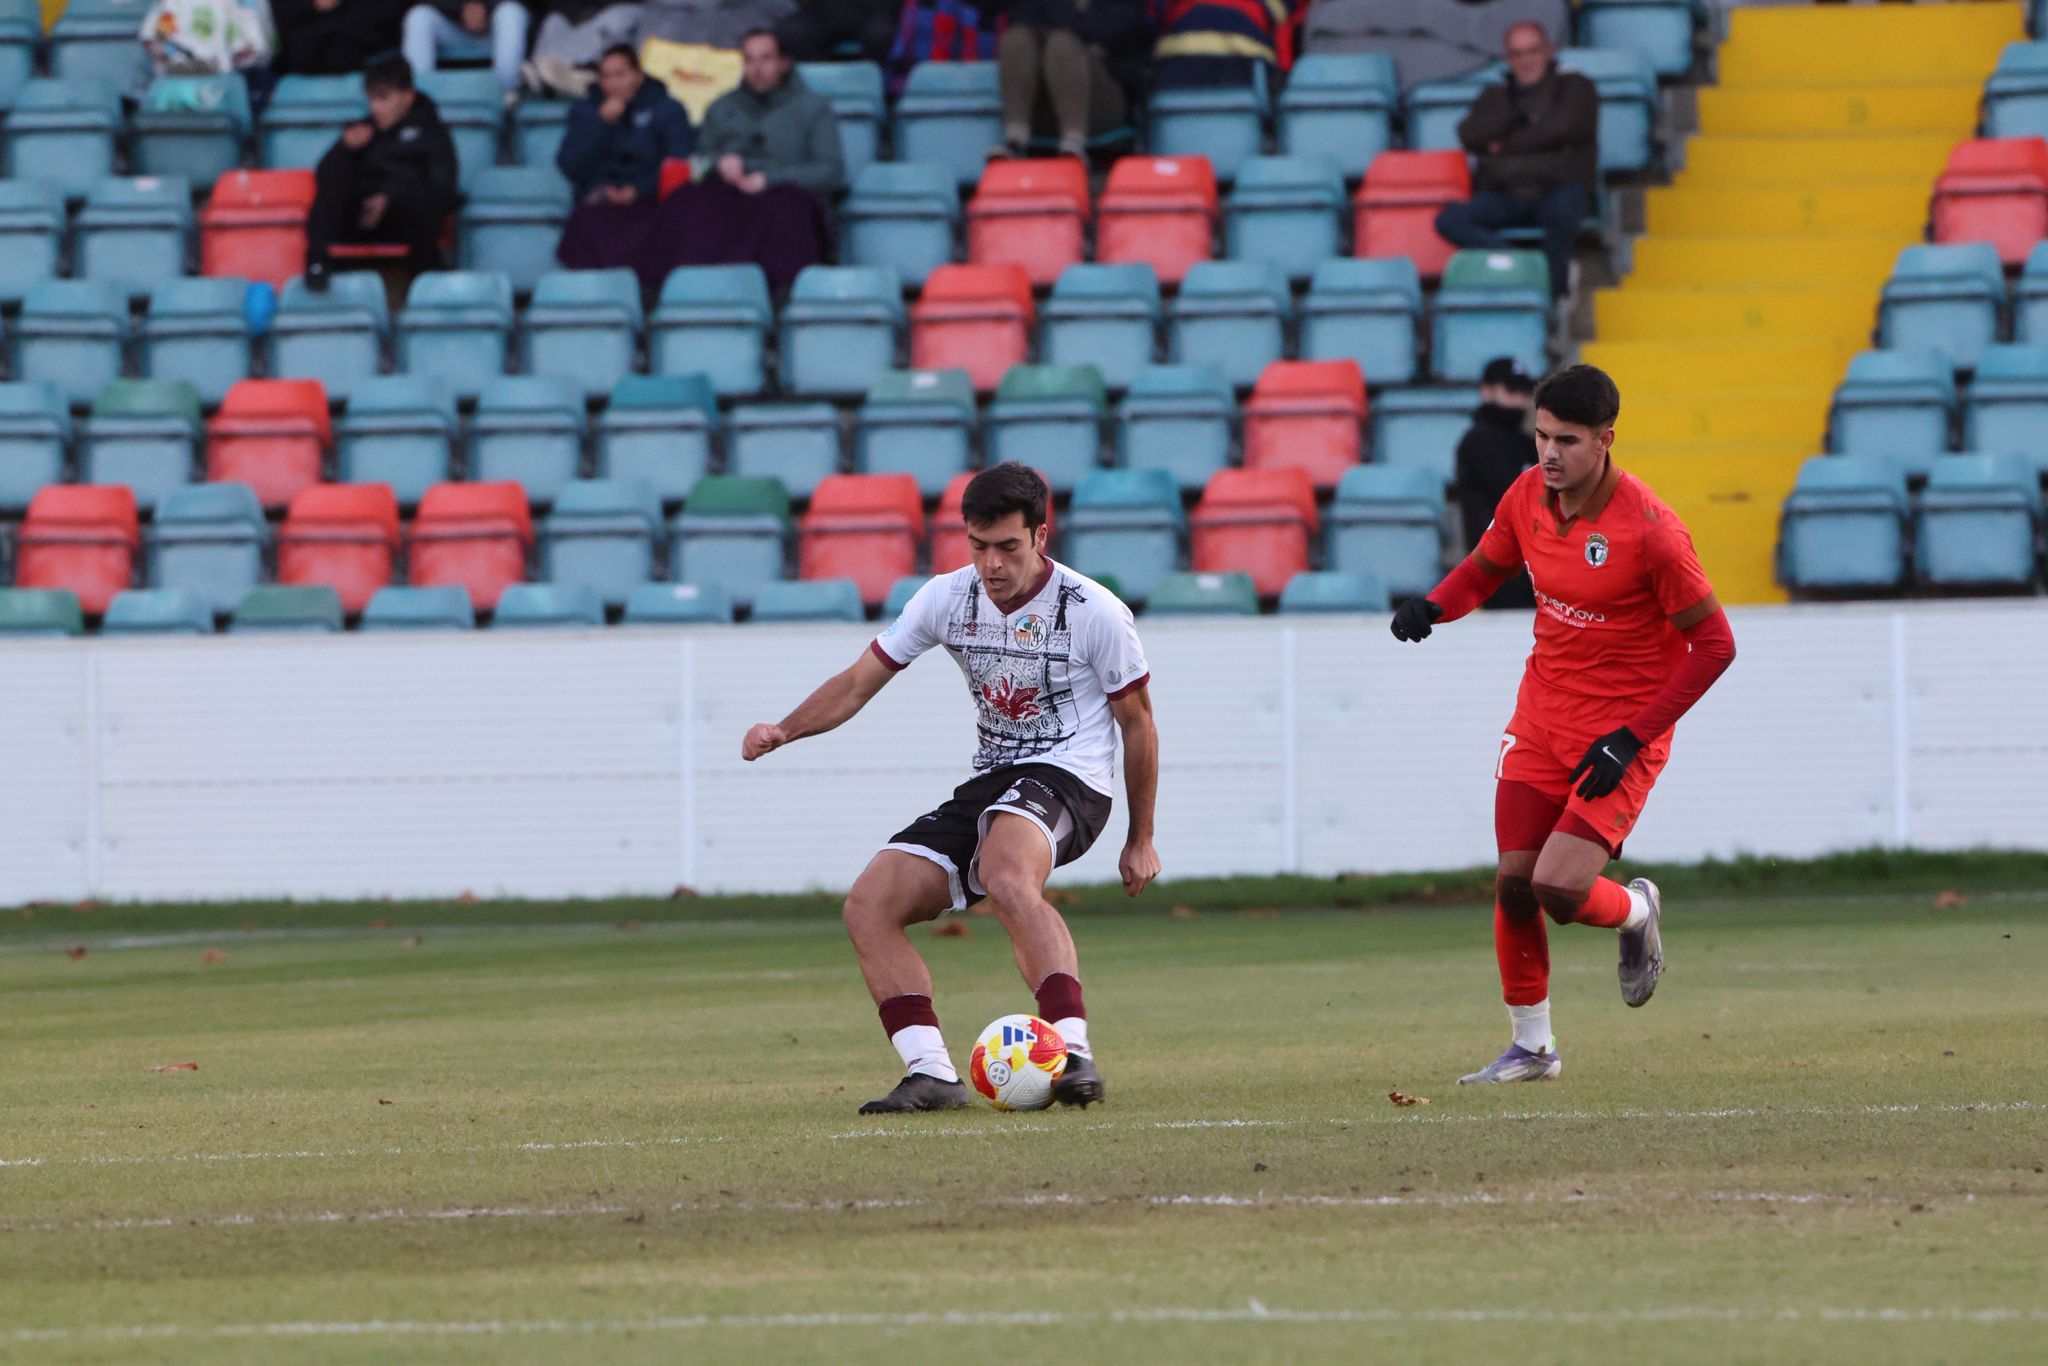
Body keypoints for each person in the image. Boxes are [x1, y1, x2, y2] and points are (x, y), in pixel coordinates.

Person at [741, 463, 1162, 1115]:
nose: (991, 564)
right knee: (869, 904)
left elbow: (1138, 725)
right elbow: (856, 683)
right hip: (993, 781)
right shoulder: (946, 598)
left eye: (1008, 547)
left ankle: (1073, 1051)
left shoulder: (1093, 612)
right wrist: (784, 729)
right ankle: (932, 1073)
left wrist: (1141, 838)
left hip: (1072, 778)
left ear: (1040, 535)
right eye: (978, 545)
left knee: (1005, 872)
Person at [1388, 364, 1736, 1086]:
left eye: (1567, 441)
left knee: (1557, 888)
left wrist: (1632, 738)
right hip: (1541, 716)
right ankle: (1533, 1049)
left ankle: (1635, 909)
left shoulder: (1653, 533)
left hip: (1620, 737)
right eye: (1542, 436)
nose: (1549, 453)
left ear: (1606, 439)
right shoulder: (1527, 495)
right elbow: (1485, 569)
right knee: (1515, 882)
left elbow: (1715, 646)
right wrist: (1435, 606)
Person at [620, 26, 841, 292]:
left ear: (784, 63)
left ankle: (783, 295)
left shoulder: (814, 107)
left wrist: (768, 179)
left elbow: (831, 171)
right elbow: (699, 160)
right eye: (749, 60)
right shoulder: (722, 106)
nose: (757, 68)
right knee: (684, 201)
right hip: (731, 191)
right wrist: (719, 164)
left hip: (782, 192)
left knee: (789, 207)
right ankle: (670, 291)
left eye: (766, 58)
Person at [1433, 21, 1595, 305]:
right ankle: (1524, 266)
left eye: (1533, 51)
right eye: (1517, 54)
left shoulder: (1575, 86)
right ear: (1507, 58)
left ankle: (1554, 294)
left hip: (1556, 187)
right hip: (1505, 192)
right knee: (1449, 220)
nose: (1525, 61)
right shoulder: (1496, 93)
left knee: (1563, 213)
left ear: (1548, 51)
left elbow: (1565, 128)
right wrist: (1526, 122)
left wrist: (1505, 144)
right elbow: (1469, 134)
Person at [304, 55, 459, 290]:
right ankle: (317, 264)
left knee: (426, 205)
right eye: (371, 98)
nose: (375, 107)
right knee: (333, 181)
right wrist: (343, 150)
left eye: (383, 98)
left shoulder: (433, 134)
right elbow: (324, 178)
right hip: (361, 219)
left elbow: (443, 188)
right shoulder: (364, 131)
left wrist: (390, 198)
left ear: (408, 96)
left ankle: (425, 287)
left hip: (406, 221)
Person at [553, 45, 696, 268]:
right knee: (585, 221)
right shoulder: (586, 111)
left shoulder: (667, 109)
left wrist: (638, 190)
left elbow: (679, 160)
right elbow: (571, 166)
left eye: (620, 74)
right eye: (606, 76)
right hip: (602, 201)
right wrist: (601, 124)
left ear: (638, 75)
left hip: (652, 201)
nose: (613, 84)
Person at [988, 0, 1152, 160]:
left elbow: (1120, 28)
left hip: (1103, 105)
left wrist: (1058, 27)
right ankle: (1015, 141)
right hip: (1041, 108)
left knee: (1063, 44)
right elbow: (1023, 18)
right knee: (1016, 39)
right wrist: (1089, 38)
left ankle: (1074, 143)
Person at [1454, 357, 1538, 611]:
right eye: (1511, 390)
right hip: (1501, 574)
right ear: (1486, 390)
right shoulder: (1478, 442)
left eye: (1523, 392)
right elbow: (1514, 496)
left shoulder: (1527, 443)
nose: (1518, 400)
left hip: (1532, 569)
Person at [401, 0, 531, 97]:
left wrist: (486, 6)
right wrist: (460, 8)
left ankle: (509, 93)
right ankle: (417, 97)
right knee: (419, 16)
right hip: (453, 26)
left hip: (499, 25)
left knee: (510, 12)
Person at [524, 0, 647, 97]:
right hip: (577, 20)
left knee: (616, 18)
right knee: (554, 20)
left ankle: (554, 72)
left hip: (622, 18)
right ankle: (546, 71)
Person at [272, 0, 405, 76]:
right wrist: (312, 5)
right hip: (302, 58)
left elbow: (390, 12)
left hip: (366, 54)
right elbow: (280, 14)